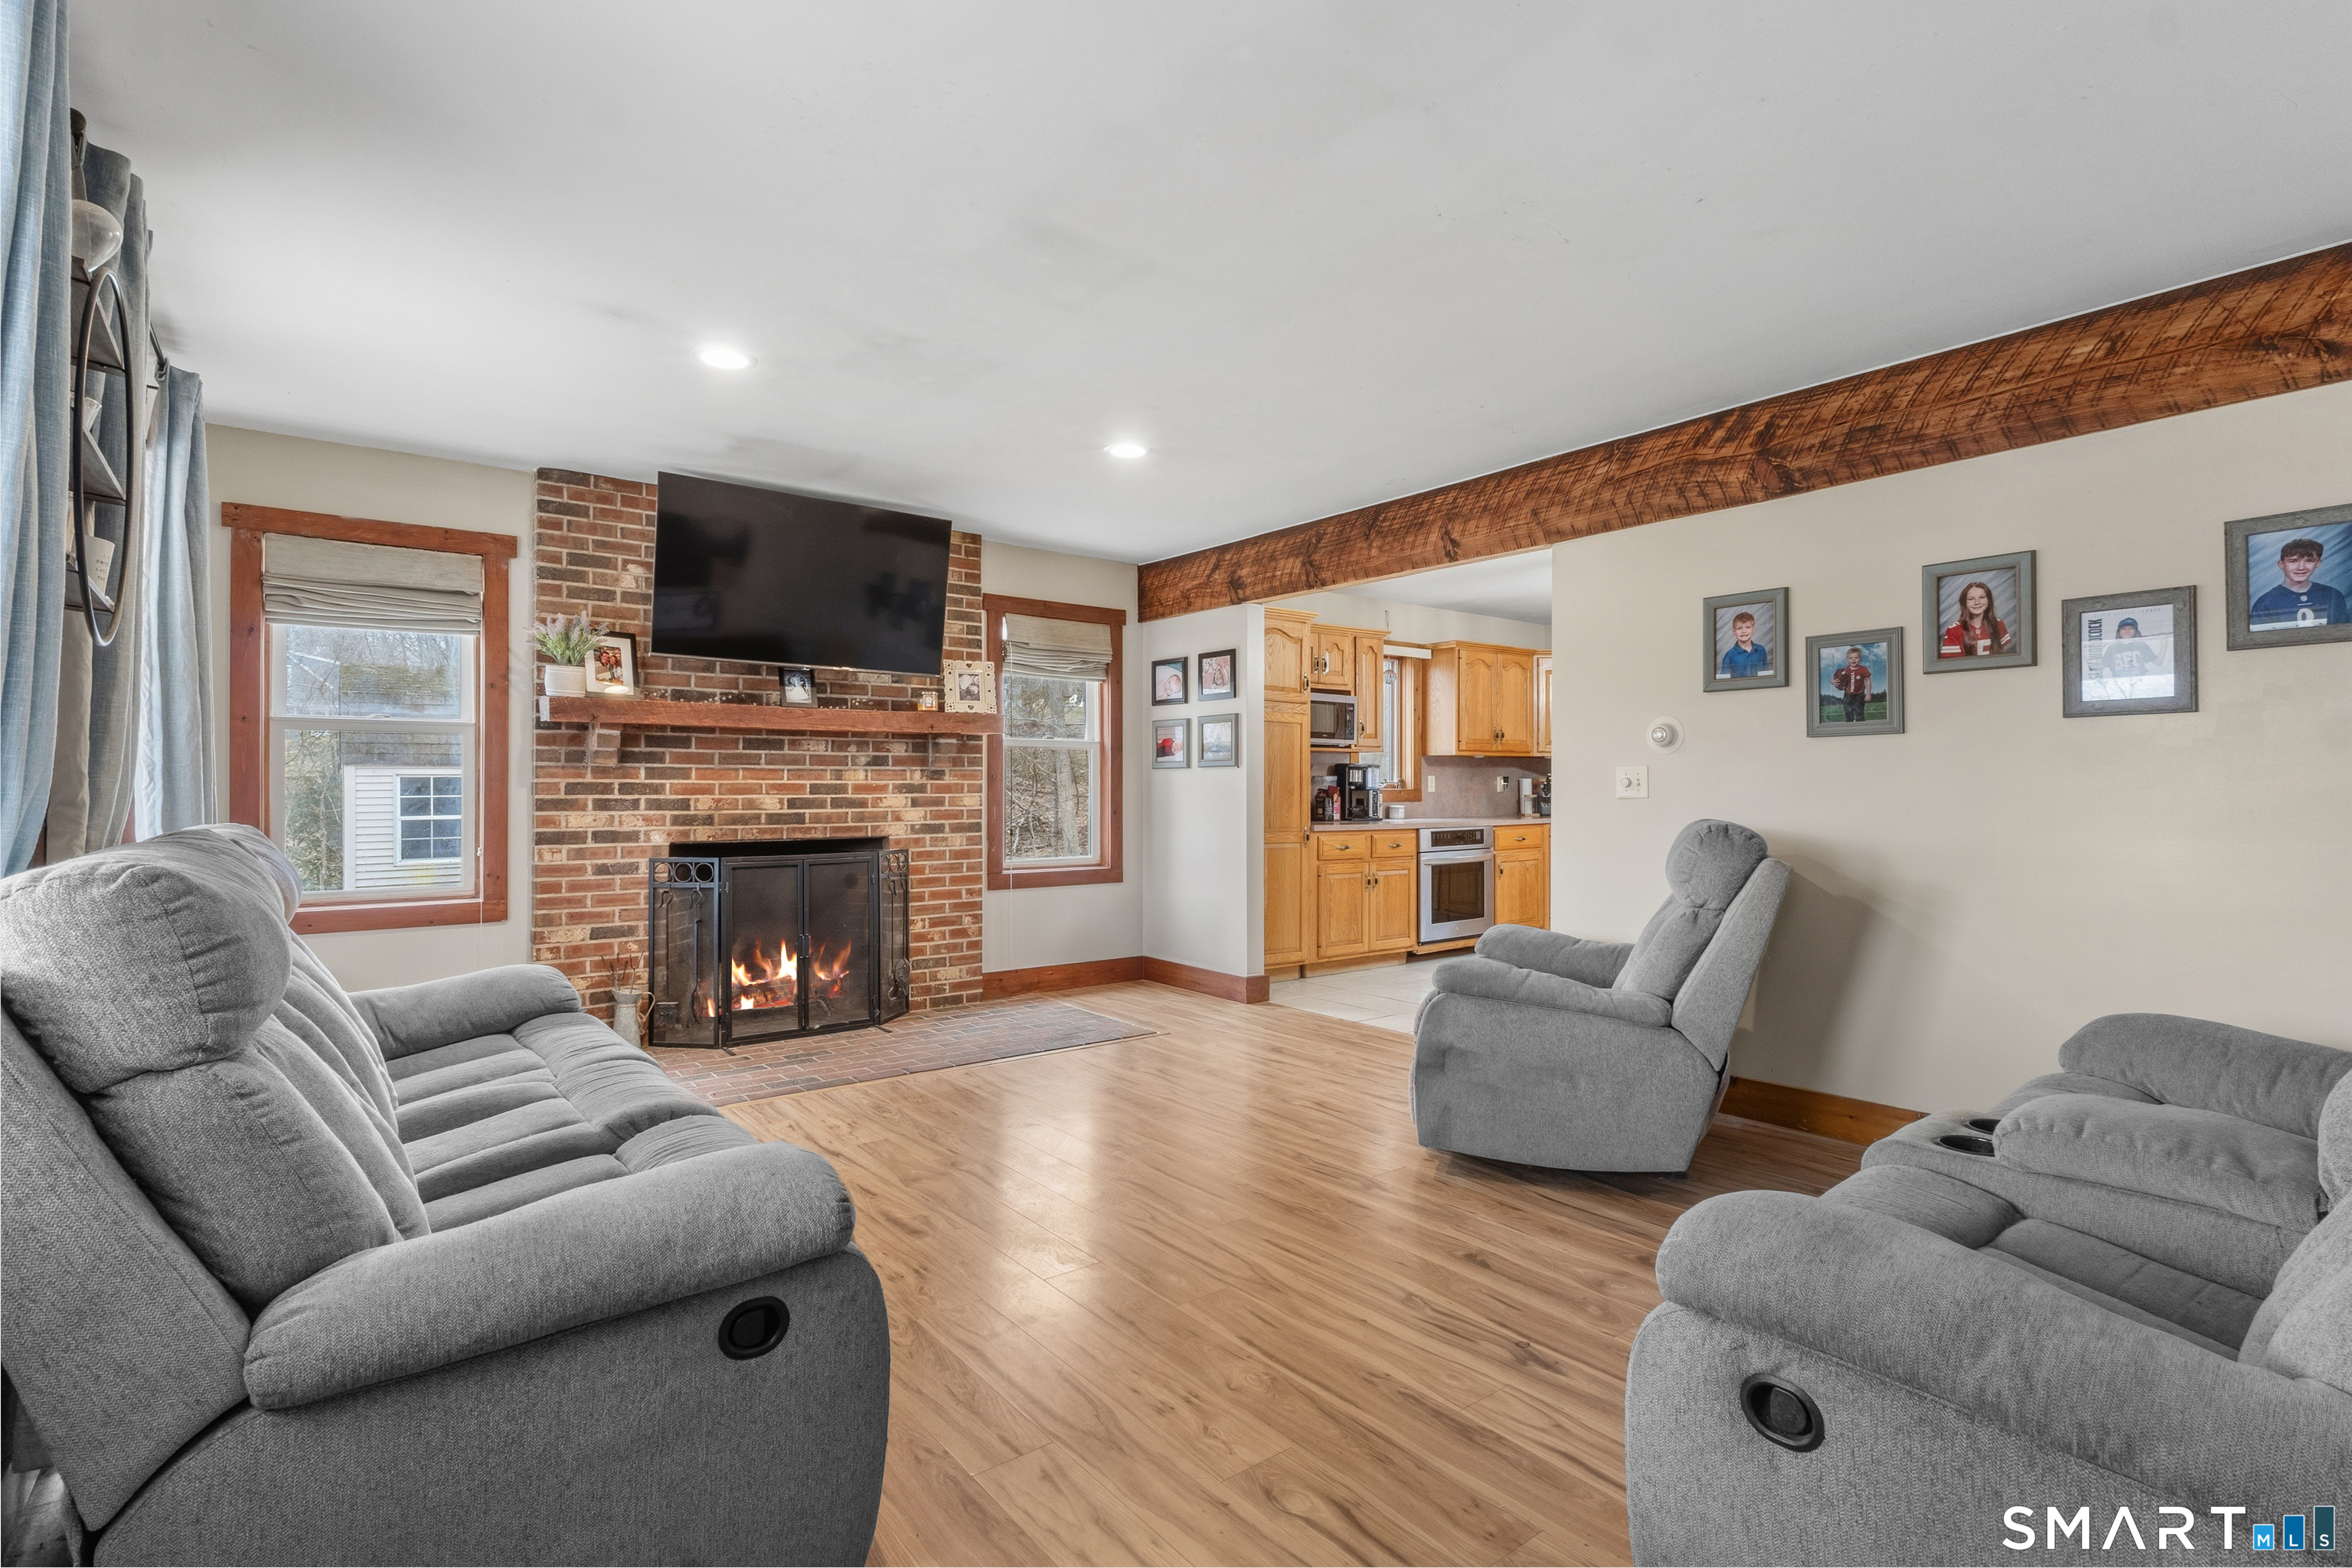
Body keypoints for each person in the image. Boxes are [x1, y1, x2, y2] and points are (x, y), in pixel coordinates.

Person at [2249, 537, 2351, 629]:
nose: (2301, 567)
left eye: (2310, 561)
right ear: (2281, 564)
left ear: (2318, 563)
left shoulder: (2332, 595)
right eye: (2293, 561)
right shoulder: (2265, 603)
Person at [1939, 580, 2013, 658]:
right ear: (1964, 603)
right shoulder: (1953, 631)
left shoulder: (1998, 624)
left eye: (1982, 597)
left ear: (1989, 600)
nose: (1977, 602)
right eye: (1971, 599)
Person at [1717, 610, 1772, 678]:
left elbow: (1766, 676)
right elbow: (1724, 682)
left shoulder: (1761, 650)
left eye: (1748, 627)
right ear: (1734, 632)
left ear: (1753, 630)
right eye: (1739, 628)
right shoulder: (1729, 656)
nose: (1744, 631)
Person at [1830, 646, 1871, 724]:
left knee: (1860, 713)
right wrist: (1832, 681)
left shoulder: (1863, 669)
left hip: (1860, 694)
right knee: (1848, 713)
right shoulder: (1844, 670)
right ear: (1847, 659)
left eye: (1856, 657)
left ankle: (1861, 729)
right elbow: (1835, 679)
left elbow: (1868, 680)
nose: (1853, 659)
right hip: (1848, 694)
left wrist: (1869, 694)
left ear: (1860, 659)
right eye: (1851, 658)